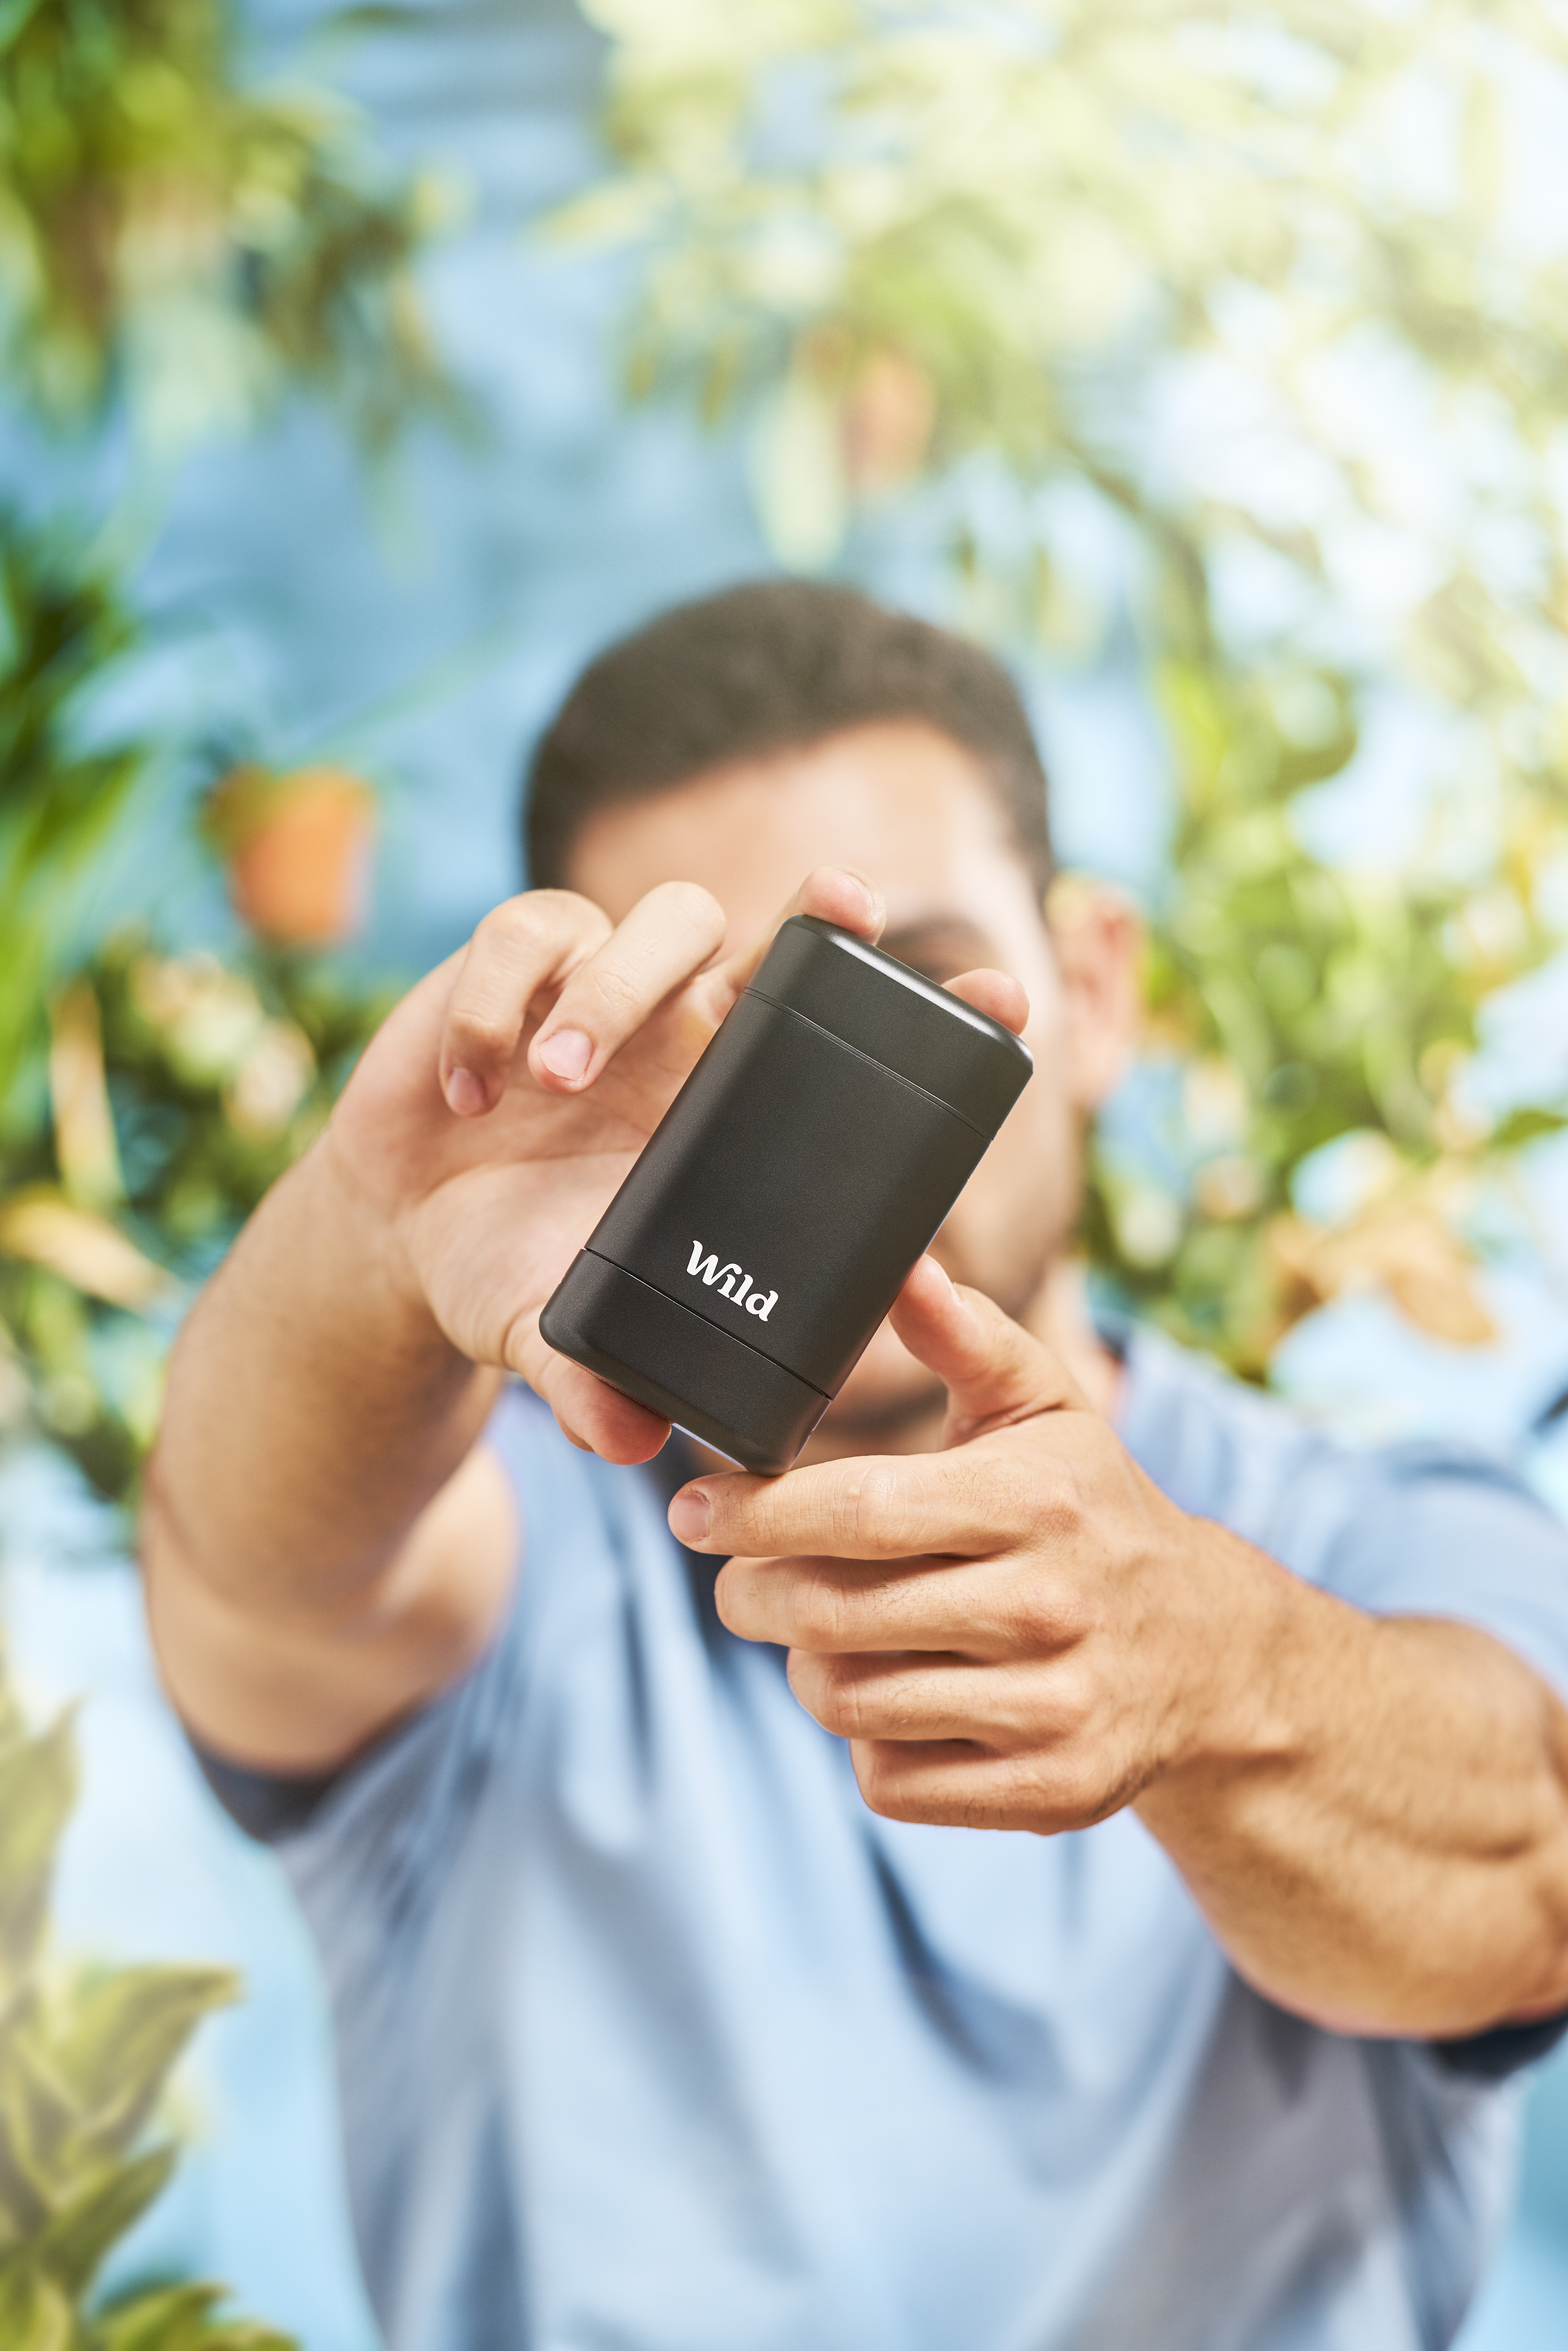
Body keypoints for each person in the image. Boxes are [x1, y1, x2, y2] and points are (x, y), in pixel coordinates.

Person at [144, 582, 1568, 2351]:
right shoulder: (506, 1550)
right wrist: (373, 1232)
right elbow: (248, 1574)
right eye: (737, 1044)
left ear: (1095, 989)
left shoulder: (1383, 1533)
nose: (827, 1146)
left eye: (913, 1006)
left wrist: (1215, 1676)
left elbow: (1531, 1868)